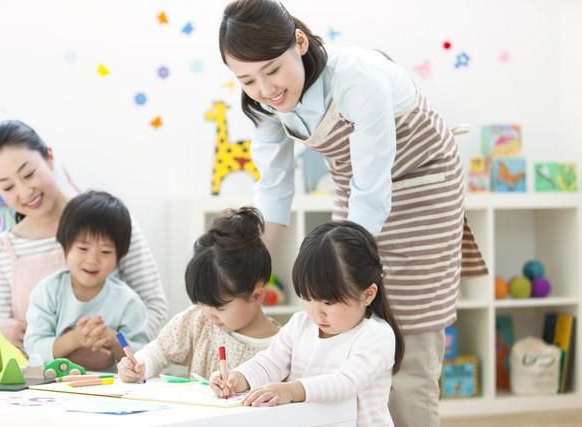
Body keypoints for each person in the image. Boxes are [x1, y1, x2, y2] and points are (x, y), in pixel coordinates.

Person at [218, 1, 487, 425]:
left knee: (409, 337)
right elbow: (273, 185)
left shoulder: (357, 78)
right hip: (355, 189)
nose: (265, 89)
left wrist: (338, 261)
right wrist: (254, 265)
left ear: (299, 42)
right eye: (247, 79)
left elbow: (373, 186)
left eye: (272, 70)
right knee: (347, 321)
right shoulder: (263, 103)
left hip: (422, 185)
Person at [0, 120, 168, 350]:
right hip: (38, 372)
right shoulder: (4, 248)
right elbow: (4, 328)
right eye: (8, 187)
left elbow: (155, 307)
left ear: (49, 158)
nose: (25, 192)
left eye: (29, 174)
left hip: (114, 371)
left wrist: (119, 346)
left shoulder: (108, 221)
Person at [210, 221, 404, 426]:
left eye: (328, 302)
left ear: (367, 294)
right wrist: (238, 378)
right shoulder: (300, 325)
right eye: (307, 298)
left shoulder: (376, 336)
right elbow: (270, 362)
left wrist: (291, 390)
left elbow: (346, 382)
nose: (315, 313)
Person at [118, 207, 279, 382]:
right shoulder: (197, 320)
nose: (209, 314)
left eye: (219, 307)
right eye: (202, 304)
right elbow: (158, 352)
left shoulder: (283, 345)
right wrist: (139, 366)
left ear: (257, 296)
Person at [24, 191, 149, 370]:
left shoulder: (128, 301)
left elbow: (142, 354)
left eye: (105, 251)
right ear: (65, 248)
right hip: (56, 383)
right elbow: (34, 348)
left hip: (112, 385)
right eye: (83, 248)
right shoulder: (48, 291)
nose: (92, 260)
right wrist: (75, 339)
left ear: (118, 256)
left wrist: (114, 338)